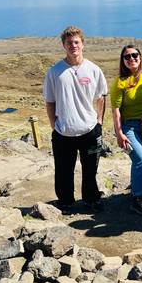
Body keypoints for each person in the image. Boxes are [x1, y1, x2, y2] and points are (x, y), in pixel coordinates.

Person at [43, 26, 108, 214]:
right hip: (63, 131)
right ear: (64, 45)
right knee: (63, 169)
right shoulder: (55, 72)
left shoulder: (93, 70)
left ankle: (91, 199)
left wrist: (99, 121)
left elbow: (101, 96)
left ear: (83, 44)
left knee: (90, 169)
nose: (73, 46)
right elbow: (50, 101)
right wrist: (53, 126)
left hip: (89, 129)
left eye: (76, 42)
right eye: (69, 43)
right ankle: (65, 202)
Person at [110, 44, 142, 215]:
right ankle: (136, 199)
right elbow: (116, 111)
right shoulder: (119, 83)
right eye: (126, 56)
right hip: (128, 127)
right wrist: (119, 133)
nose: (131, 58)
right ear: (123, 61)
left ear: (140, 57)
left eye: (134, 55)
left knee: (139, 161)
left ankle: (138, 191)